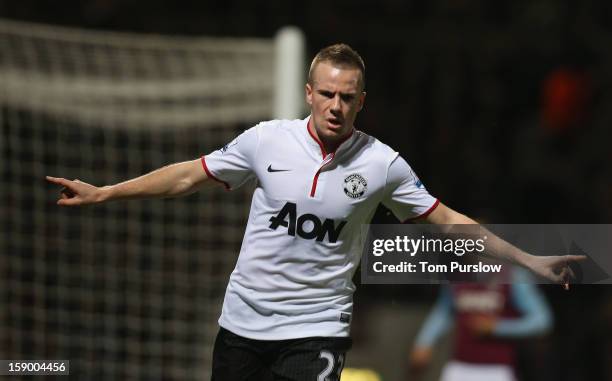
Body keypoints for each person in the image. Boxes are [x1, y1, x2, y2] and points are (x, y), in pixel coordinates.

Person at [46, 43, 584, 380]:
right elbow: (188, 174)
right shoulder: (265, 141)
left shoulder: (383, 164)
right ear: (308, 93)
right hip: (242, 324)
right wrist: (105, 193)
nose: (335, 105)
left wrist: (527, 260)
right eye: (326, 93)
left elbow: (448, 221)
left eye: (347, 97)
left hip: (316, 330)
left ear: (362, 101)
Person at [408, 267, 552, 381]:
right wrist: (424, 342)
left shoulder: (513, 275)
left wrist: (497, 327)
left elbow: (541, 320)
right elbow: (445, 310)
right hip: (458, 368)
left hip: (497, 370)